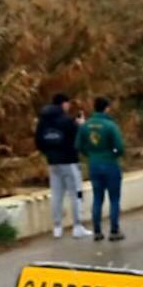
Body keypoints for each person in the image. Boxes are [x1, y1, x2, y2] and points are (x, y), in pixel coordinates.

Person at [34, 93, 92, 239]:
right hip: (69, 161)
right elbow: (77, 140)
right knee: (76, 194)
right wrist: (80, 126)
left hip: (53, 162)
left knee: (57, 194)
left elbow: (39, 142)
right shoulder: (67, 121)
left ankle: (57, 227)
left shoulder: (43, 121)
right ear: (64, 104)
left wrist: (49, 153)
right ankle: (77, 226)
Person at [77, 96, 126, 241]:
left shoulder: (86, 126)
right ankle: (114, 230)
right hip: (110, 163)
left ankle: (97, 231)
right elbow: (120, 147)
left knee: (98, 198)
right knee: (114, 198)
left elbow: (79, 146)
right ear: (107, 108)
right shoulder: (110, 125)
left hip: (94, 164)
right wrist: (114, 154)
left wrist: (90, 154)